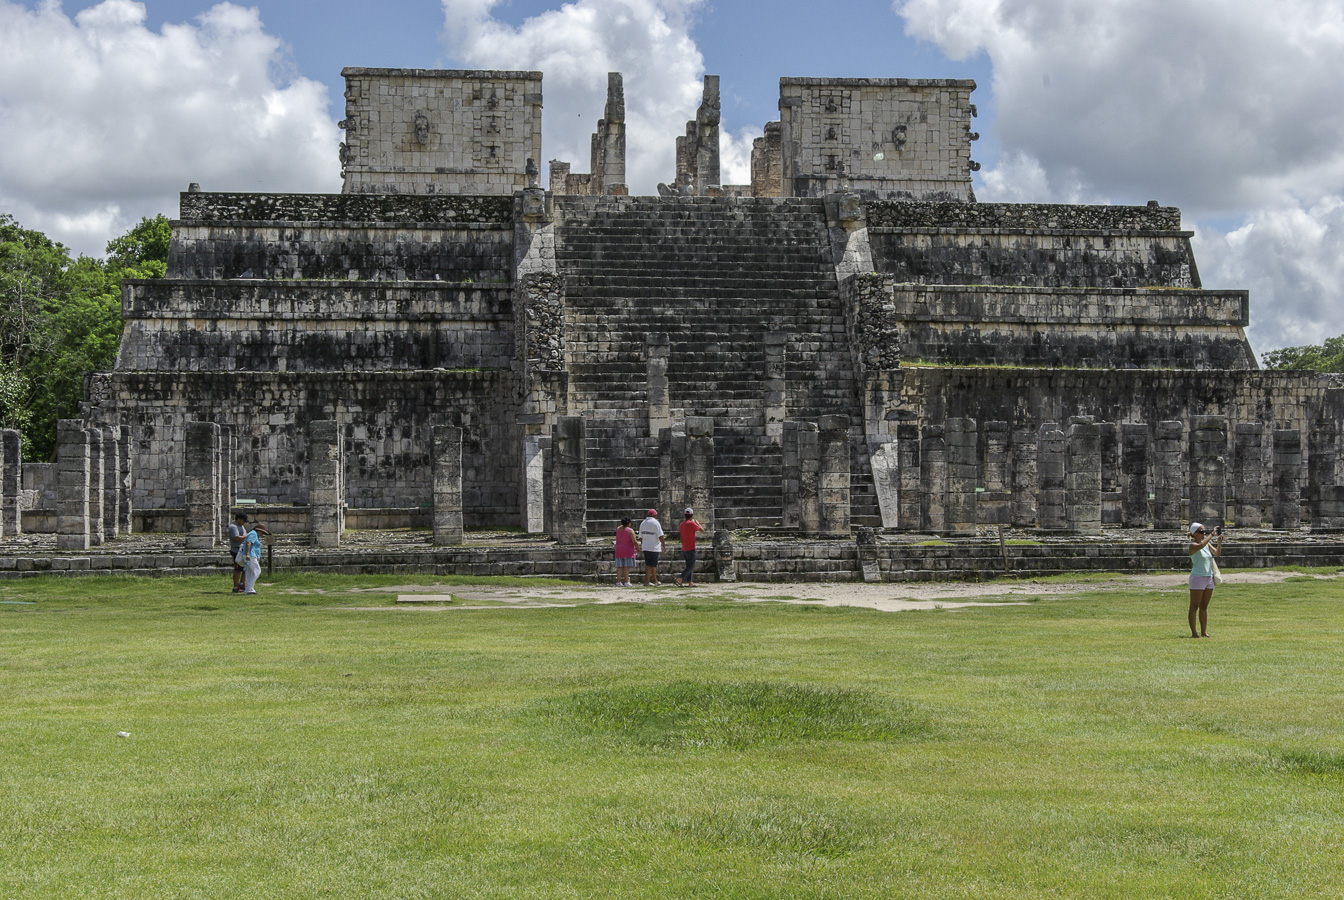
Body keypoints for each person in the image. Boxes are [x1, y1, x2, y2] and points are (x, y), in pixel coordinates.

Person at [1187, 522, 1223, 638]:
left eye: (1204, 532)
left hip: (1208, 577)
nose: (1203, 534)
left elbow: (1217, 553)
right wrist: (1212, 534)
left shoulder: (1206, 544)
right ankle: (1194, 633)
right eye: (1201, 532)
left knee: (1204, 606)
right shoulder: (1193, 546)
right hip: (1198, 577)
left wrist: (1219, 542)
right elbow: (1201, 545)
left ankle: (1204, 631)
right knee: (1194, 606)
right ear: (1194, 534)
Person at [239, 521, 271, 595]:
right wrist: (248, 554)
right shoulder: (253, 534)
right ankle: (250, 589)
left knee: (249, 572)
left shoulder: (252, 533)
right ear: (258, 530)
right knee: (257, 571)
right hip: (251, 555)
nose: (262, 534)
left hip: (249, 555)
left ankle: (248, 589)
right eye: (262, 533)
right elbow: (248, 543)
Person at [675, 507, 704, 587]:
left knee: (689, 565)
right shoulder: (691, 523)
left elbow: (681, 537)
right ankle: (680, 578)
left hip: (685, 547)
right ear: (692, 516)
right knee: (691, 565)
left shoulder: (682, 524)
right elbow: (702, 530)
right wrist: (697, 523)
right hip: (691, 547)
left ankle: (690, 582)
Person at [638, 508, 666, 586]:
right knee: (650, 565)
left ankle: (655, 580)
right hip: (653, 547)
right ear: (655, 515)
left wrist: (644, 543)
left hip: (646, 546)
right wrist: (663, 545)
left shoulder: (643, 523)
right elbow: (660, 535)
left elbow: (640, 536)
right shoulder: (656, 523)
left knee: (652, 564)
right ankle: (646, 581)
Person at [613, 516, 638, 587]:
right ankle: (626, 581)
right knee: (626, 566)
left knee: (619, 566)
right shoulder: (630, 531)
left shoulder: (618, 529)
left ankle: (618, 581)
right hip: (627, 550)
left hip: (619, 549)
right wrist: (638, 547)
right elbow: (634, 541)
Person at [228, 512, 249, 593]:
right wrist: (246, 537)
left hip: (242, 550)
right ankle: (236, 587)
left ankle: (241, 583)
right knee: (237, 569)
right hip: (236, 550)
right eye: (243, 520)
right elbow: (236, 538)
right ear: (239, 519)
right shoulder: (233, 527)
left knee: (245, 568)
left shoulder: (241, 526)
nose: (244, 522)